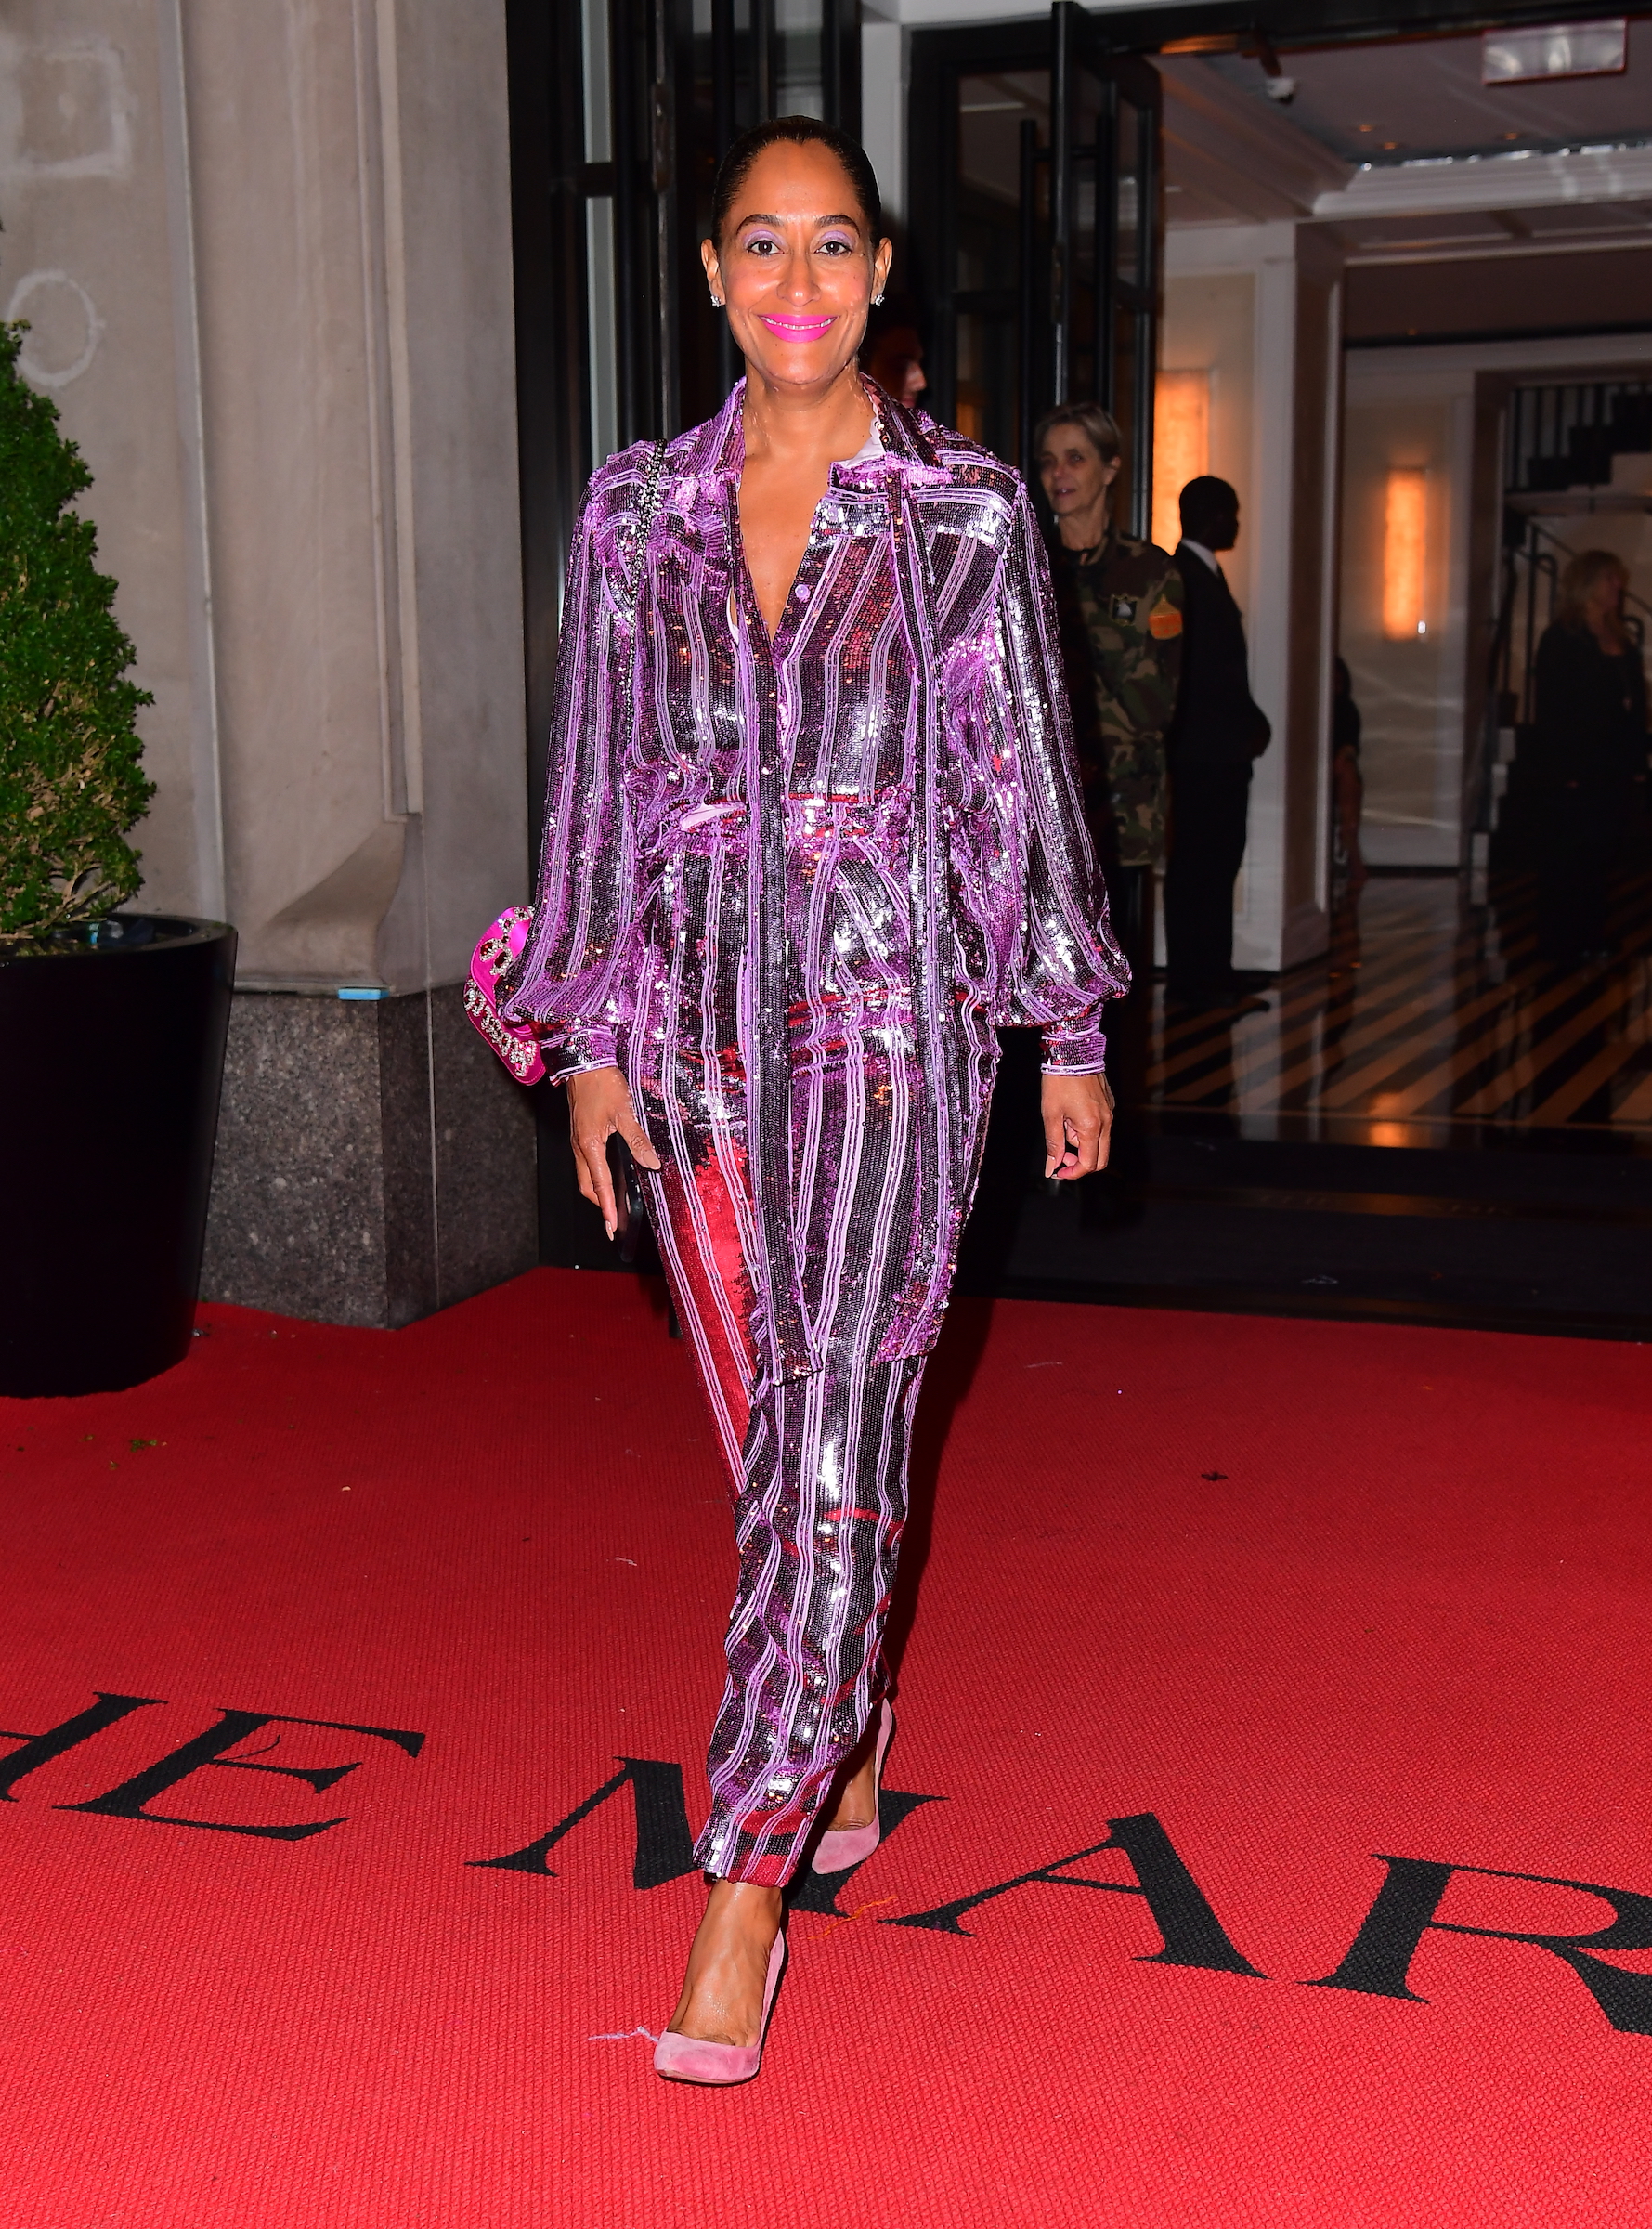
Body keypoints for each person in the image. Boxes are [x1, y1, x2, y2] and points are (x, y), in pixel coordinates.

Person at [501, 116, 1126, 2085]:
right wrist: (584, 1040)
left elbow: (1020, 780)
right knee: (779, 1434)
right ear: (710, 273)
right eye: (759, 245)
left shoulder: (962, 514)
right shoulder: (633, 516)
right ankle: (843, 1723)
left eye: (831, 244)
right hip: (682, 1041)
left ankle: (743, 1879)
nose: (796, 281)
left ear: (877, 275)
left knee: (838, 1419)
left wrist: (1065, 1023)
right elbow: (592, 784)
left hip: (888, 1025)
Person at [1034, 403, 1182, 972]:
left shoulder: (1150, 573)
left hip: (1120, 809)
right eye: (1048, 461)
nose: (1059, 474)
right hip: (1038, 806)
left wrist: (1082, 624)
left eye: (1076, 458)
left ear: (1111, 468)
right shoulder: (1024, 567)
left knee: (1116, 972)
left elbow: (1155, 706)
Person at [1164, 476, 1272, 1009]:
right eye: (1232, 513)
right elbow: (1198, 676)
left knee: (1218, 861)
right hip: (1203, 756)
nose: (1237, 524)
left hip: (1216, 752)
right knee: (1199, 865)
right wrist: (1241, 723)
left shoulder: (1200, 574)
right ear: (1211, 516)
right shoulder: (1182, 577)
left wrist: (1249, 721)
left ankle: (1215, 971)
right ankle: (1194, 979)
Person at [1531, 550, 1649, 968]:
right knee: (1569, 856)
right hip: (1578, 764)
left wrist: (1637, 761)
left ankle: (1592, 932)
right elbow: (1553, 709)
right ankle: (1561, 940)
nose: (1618, 587)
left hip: (1612, 763)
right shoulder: (1562, 639)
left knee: (1602, 853)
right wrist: (1564, 767)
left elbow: (1634, 705)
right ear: (1587, 584)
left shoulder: (1620, 638)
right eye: (1609, 580)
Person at [1331, 656, 1367, 893]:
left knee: (1348, 773)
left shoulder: (1347, 710)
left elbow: (1350, 747)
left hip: (1341, 772)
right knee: (1348, 775)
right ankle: (1349, 845)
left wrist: (1341, 758)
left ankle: (1348, 834)